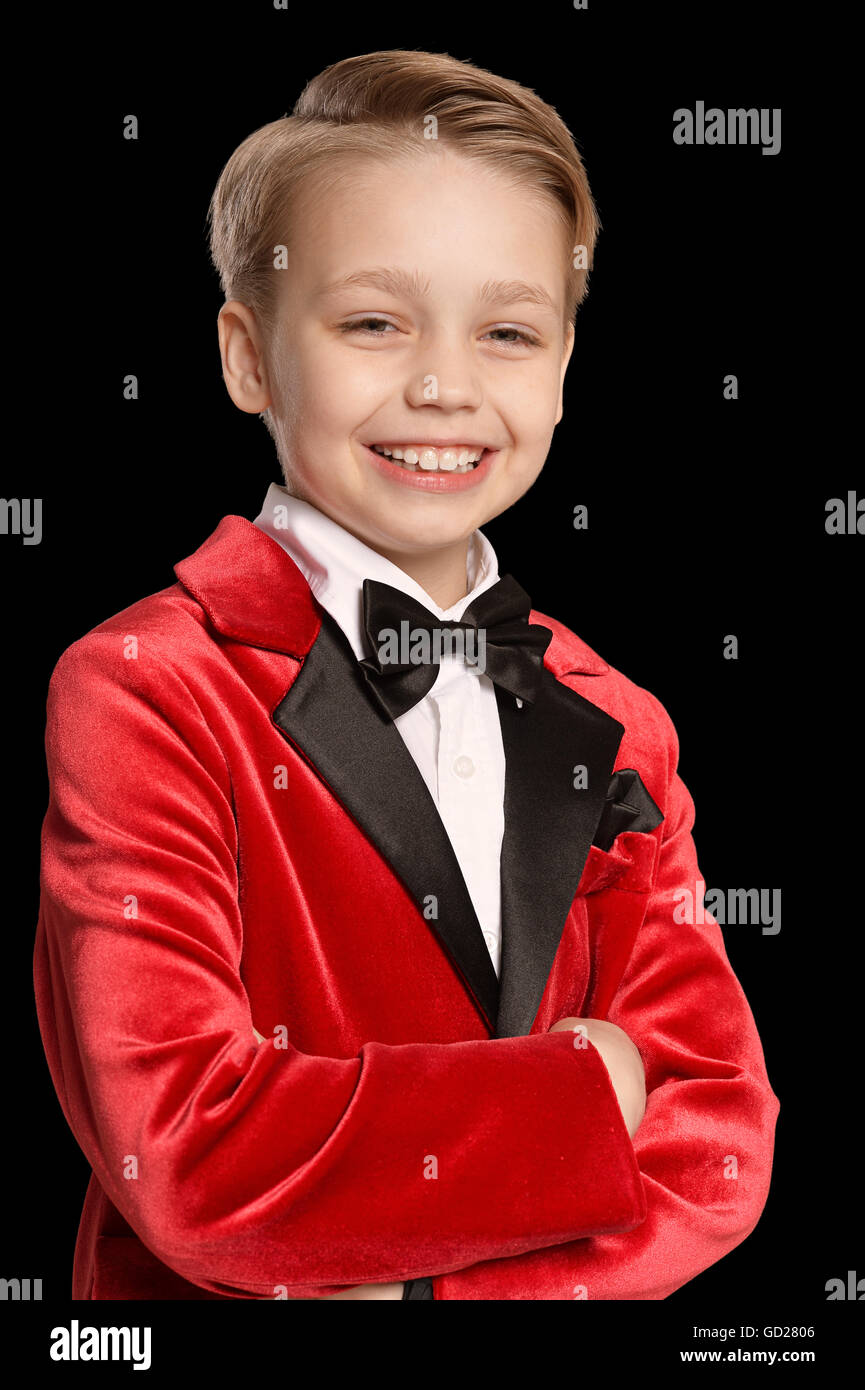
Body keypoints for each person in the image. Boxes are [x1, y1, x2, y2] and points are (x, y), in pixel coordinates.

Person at [33, 48, 779, 1300]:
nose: (442, 386)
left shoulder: (619, 719)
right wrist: (586, 1090)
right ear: (248, 357)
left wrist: (425, 1288)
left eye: (506, 331)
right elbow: (186, 1152)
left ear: (561, 370)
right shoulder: (143, 682)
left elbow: (715, 1146)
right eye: (373, 323)